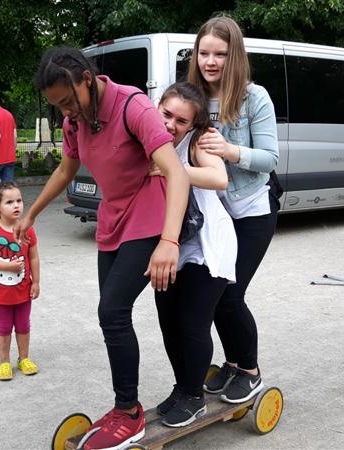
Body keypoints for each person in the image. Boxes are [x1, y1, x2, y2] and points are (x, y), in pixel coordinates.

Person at [17, 46, 189, 450]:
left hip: (149, 215)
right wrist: (32, 213)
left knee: (111, 311)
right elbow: (67, 169)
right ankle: (123, 406)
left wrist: (169, 240)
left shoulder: (133, 106)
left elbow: (177, 173)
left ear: (86, 80)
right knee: (112, 316)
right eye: (57, 106)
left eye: (68, 101)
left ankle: (128, 412)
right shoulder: (75, 122)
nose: (65, 112)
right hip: (113, 219)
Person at [187, 16, 280, 405]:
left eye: (220, 54)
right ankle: (232, 362)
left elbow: (270, 158)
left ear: (234, 55)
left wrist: (230, 151)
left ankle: (250, 371)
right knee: (212, 296)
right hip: (214, 214)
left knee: (230, 293)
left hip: (252, 210)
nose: (210, 61)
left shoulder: (254, 97)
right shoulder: (191, 96)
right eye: (204, 53)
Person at [149, 82, 237, 427]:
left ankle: (194, 397)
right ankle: (183, 387)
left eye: (181, 121)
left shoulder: (197, 141)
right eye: (167, 114)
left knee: (192, 323)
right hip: (168, 245)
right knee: (168, 321)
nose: (171, 125)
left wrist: (172, 168)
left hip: (207, 246)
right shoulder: (147, 137)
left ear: (193, 125)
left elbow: (219, 178)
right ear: (157, 107)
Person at [0, 182, 40, 381]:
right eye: (10, 202)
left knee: (23, 325)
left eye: (19, 201)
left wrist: (36, 282)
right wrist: (7, 266)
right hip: (0, 292)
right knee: (4, 326)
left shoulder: (28, 230)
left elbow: (33, 258)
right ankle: (4, 362)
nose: (16, 205)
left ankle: (24, 358)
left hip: (23, 289)